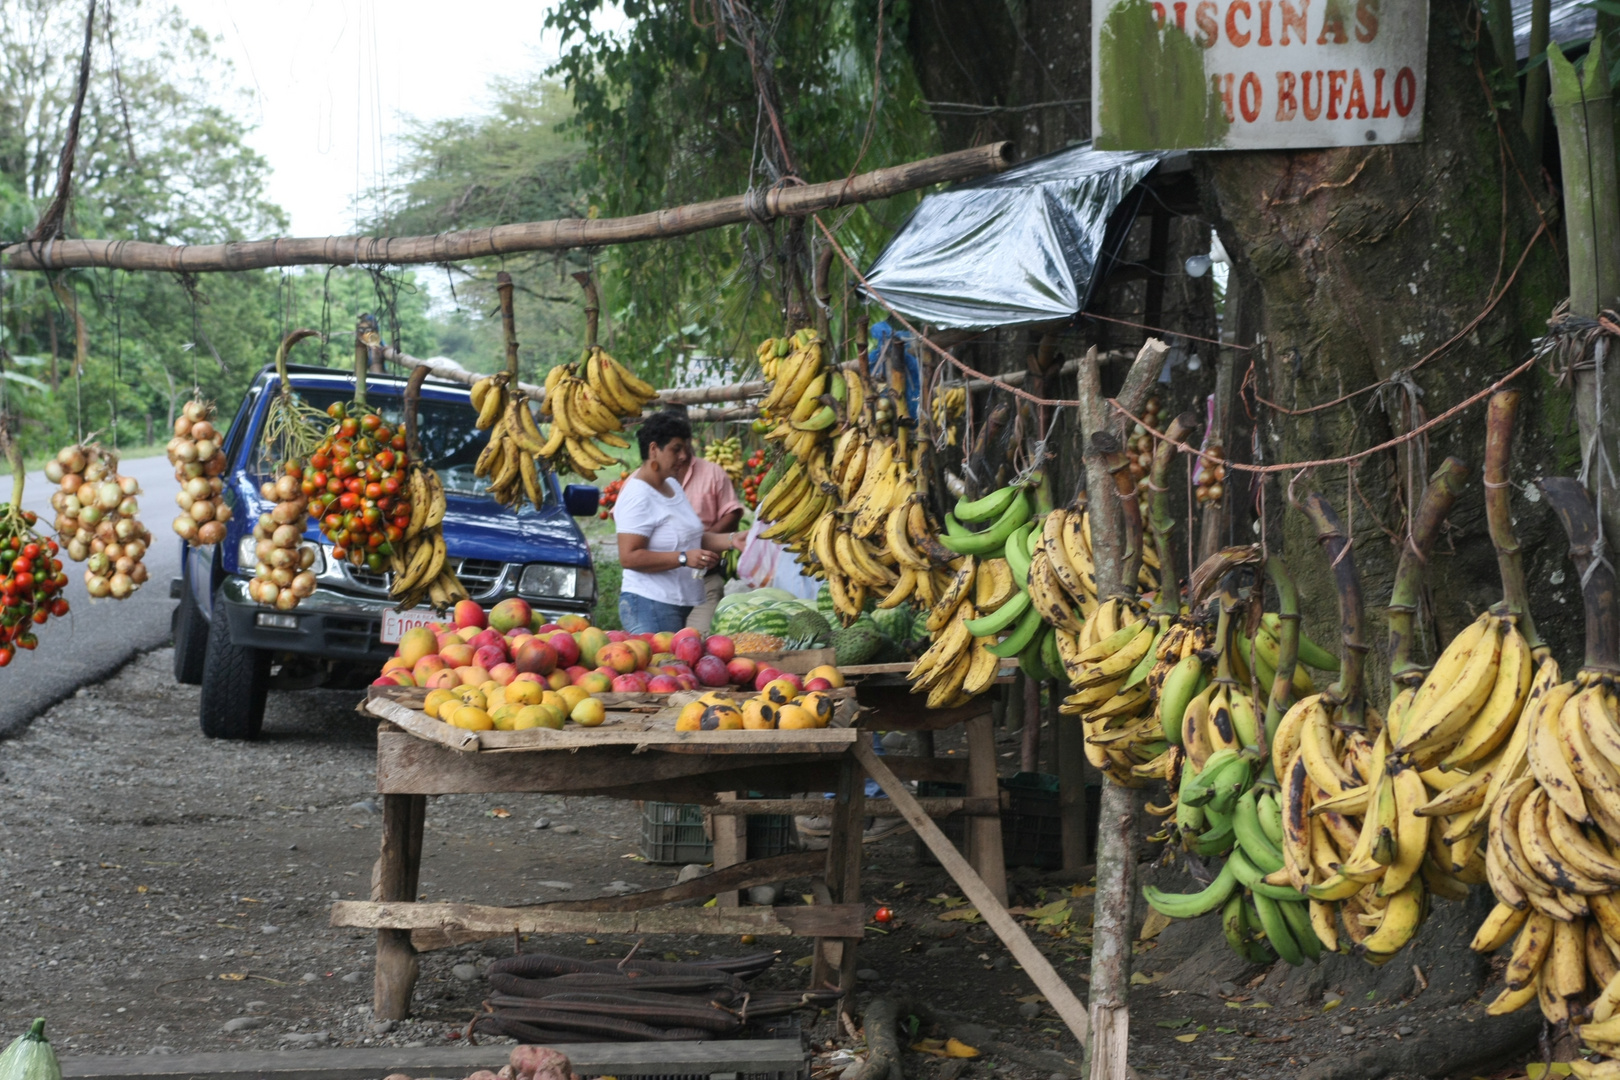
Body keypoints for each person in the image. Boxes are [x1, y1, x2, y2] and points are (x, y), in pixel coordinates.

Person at [613, 411, 746, 634]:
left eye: (686, 448)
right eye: (676, 449)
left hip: (681, 603)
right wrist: (684, 558)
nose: (684, 456)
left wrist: (733, 540)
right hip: (650, 605)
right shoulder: (637, 494)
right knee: (664, 668)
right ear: (654, 449)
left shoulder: (671, 486)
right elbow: (629, 556)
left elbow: (691, 537)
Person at [674, 431, 744, 632]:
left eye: (681, 444)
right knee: (661, 653)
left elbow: (732, 513)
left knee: (698, 644)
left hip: (704, 580)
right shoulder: (646, 481)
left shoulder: (713, 472)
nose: (679, 454)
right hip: (660, 585)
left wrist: (706, 541)